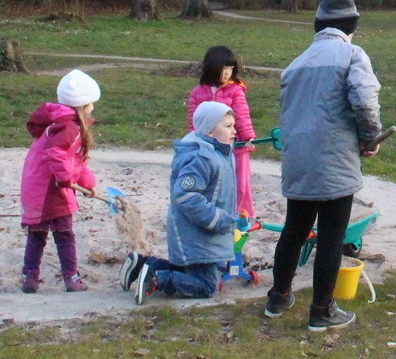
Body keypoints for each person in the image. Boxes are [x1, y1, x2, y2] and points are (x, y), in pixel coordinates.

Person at [265, 0, 381, 331]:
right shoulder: (352, 55)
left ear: (318, 26)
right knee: (332, 235)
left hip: (298, 160)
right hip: (334, 160)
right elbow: (364, 100)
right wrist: (370, 138)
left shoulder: (296, 63)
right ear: (351, 26)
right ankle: (322, 310)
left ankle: (278, 297)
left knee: (294, 229)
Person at [121, 101, 239, 304]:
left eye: (233, 125)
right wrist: (218, 219)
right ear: (210, 131)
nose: (234, 131)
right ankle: (157, 279)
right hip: (197, 233)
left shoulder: (220, 153)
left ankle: (142, 264)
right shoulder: (202, 157)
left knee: (190, 270)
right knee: (207, 285)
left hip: (205, 232)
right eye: (228, 126)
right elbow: (186, 196)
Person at [19, 69, 101, 293]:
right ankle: (71, 278)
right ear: (83, 105)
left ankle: (29, 277)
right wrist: (65, 178)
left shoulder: (60, 123)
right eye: (92, 104)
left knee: (37, 234)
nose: (93, 108)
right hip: (50, 189)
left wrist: (88, 183)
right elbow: (55, 153)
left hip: (37, 185)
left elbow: (75, 161)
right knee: (63, 234)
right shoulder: (68, 127)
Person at [187, 45, 257, 218]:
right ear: (211, 68)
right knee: (212, 178)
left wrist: (247, 136)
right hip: (209, 145)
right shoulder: (197, 93)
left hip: (235, 144)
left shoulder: (235, 90)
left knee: (240, 181)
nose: (227, 73)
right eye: (223, 68)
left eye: (230, 69)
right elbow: (194, 119)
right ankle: (213, 210)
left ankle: (242, 213)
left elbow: (242, 113)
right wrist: (195, 140)